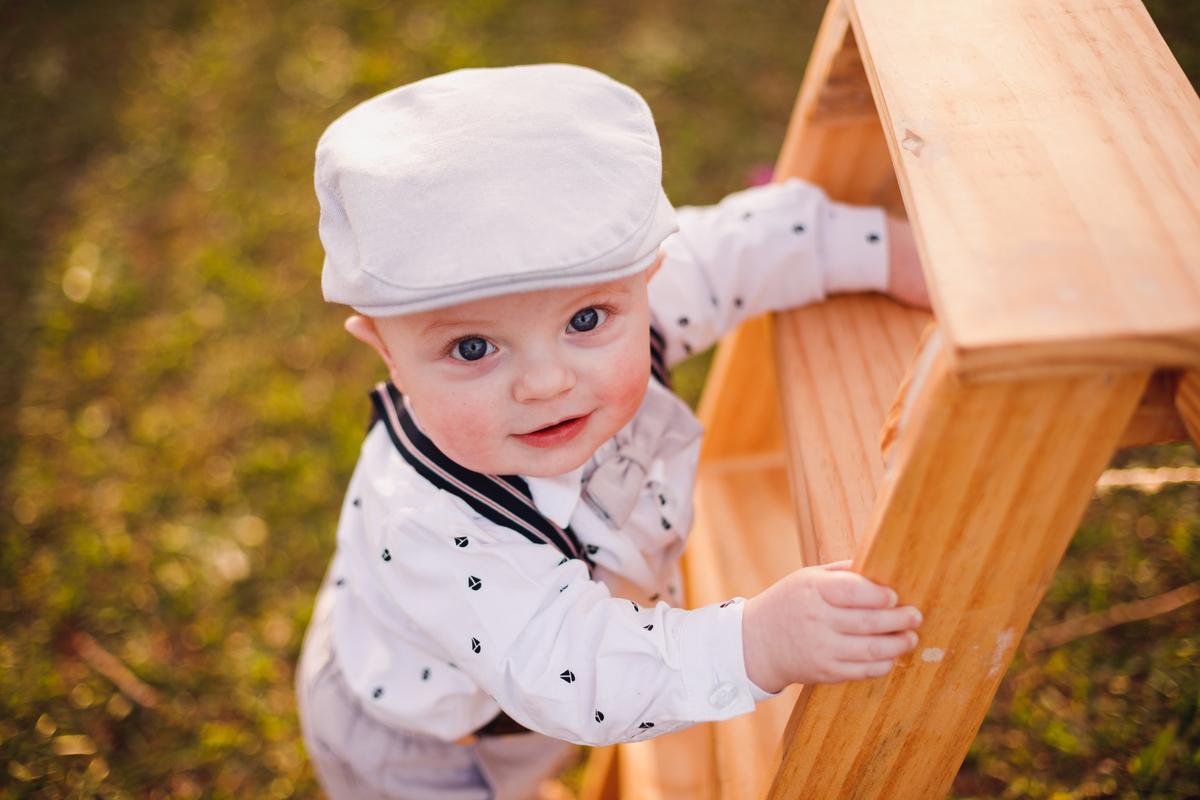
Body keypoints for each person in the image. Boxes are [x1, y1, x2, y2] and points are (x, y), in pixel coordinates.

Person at [297, 63, 926, 800]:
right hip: (421, 747)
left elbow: (738, 245)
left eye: (586, 321)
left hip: (517, 709)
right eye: (472, 348)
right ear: (387, 358)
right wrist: (754, 642)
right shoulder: (435, 521)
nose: (546, 382)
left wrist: (884, 249)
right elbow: (575, 670)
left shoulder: (633, 300)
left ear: (645, 280)